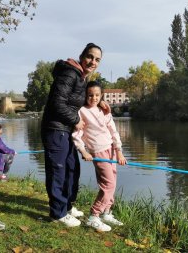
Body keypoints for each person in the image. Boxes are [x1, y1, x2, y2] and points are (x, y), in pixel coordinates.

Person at [41, 43, 109, 227]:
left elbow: (81, 100)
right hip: (55, 129)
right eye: (90, 56)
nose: (93, 61)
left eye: (97, 59)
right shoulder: (70, 73)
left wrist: (100, 102)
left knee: (72, 169)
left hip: (66, 130)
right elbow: (57, 103)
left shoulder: (81, 77)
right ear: (82, 56)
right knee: (58, 170)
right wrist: (75, 120)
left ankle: (67, 206)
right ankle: (57, 213)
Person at [72, 81, 127, 232]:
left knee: (112, 183)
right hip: (98, 151)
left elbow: (113, 130)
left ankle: (106, 212)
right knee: (108, 185)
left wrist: (119, 150)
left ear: (101, 95)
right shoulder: (82, 111)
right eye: (90, 95)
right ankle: (94, 215)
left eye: (97, 95)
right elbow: (77, 134)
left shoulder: (104, 110)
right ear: (85, 95)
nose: (94, 98)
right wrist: (83, 151)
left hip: (111, 150)